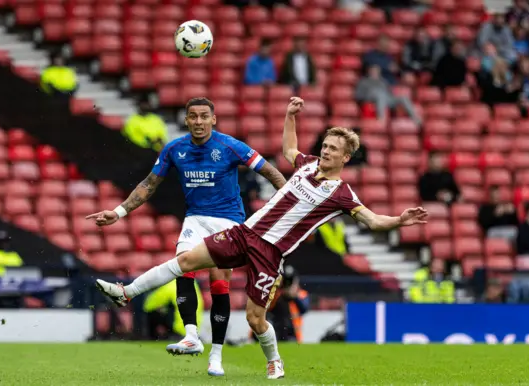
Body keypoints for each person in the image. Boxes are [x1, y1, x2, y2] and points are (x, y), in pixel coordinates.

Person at [94, 97, 428, 379]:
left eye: (333, 149)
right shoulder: (307, 166)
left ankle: (274, 360)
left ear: (345, 157)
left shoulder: (341, 194)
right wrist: (289, 116)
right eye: (325, 145)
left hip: (270, 253)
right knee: (185, 261)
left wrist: (399, 220)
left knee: (256, 319)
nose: (325, 151)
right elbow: (289, 148)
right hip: (245, 233)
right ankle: (127, 292)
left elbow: (372, 221)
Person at [86, 97, 286, 377]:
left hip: (228, 222)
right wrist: (119, 213)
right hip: (194, 218)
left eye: (205, 116)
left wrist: (290, 208)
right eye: (193, 116)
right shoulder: (174, 149)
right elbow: (148, 184)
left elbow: (271, 172)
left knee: (219, 284)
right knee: (183, 263)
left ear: (213, 119)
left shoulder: (230, 146)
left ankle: (215, 356)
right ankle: (191, 335)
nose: (199, 121)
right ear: (186, 121)